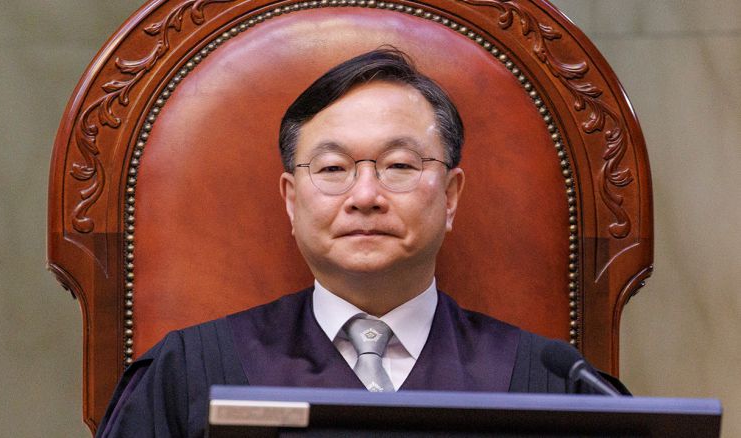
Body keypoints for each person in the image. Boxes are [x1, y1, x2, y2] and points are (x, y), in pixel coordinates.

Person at [96, 48, 621, 438]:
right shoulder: (189, 374)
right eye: (332, 169)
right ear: (291, 200)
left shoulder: (550, 383)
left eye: (399, 166)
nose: (365, 196)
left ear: (451, 195)